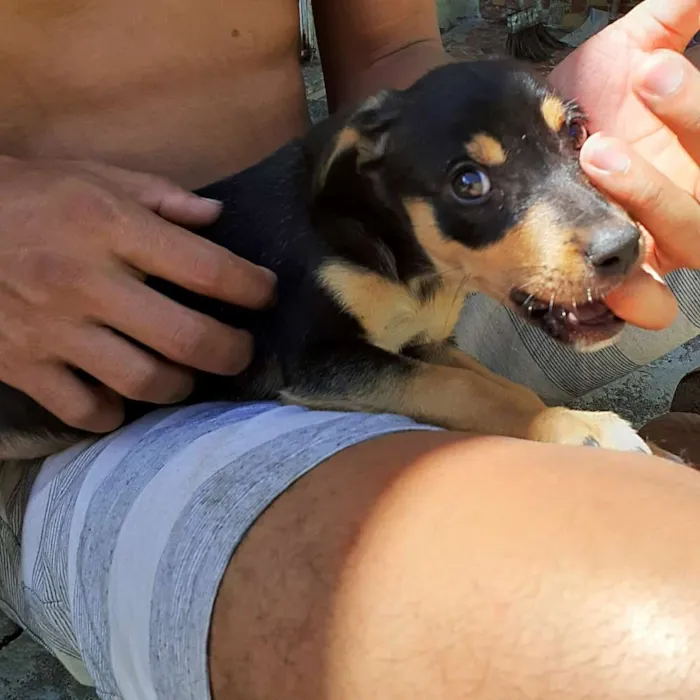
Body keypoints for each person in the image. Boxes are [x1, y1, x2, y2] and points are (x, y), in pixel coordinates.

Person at [1, 0, 700, 698]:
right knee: (650, 644)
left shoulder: (352, 184)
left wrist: (530, 139)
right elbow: (317, 362)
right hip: (90, 409)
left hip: (403, 277)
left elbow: (392, 54)